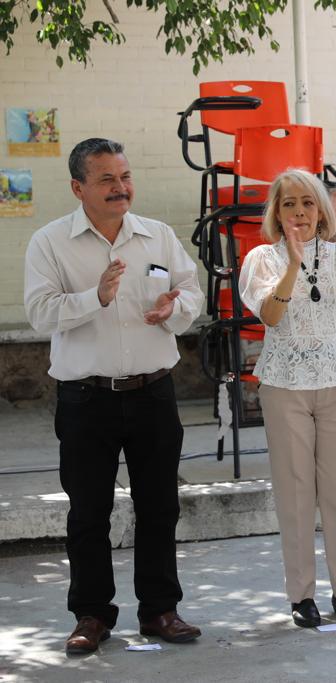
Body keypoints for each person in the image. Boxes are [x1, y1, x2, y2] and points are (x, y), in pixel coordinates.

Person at [23, 138, 204, 654]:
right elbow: (39, 311)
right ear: (78, 187)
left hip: (153, 393)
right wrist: (94, 297)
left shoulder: (159, 237)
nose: (120, 188)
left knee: (159, 507)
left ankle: (161, 610)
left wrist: (176, 306)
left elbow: (192, 290)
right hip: (86, 400)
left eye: (124, 177)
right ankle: (92, 616)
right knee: (88, 514)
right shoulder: (49, 242)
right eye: (106, 179)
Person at [238, 169, 336, 628]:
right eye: (288, 204)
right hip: (284, 385)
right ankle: (301, 596)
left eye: (307, 202)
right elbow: (272, 317)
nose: (299, 211)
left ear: (321, 210)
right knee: (295, 493)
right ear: (276, 213)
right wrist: (294, 266)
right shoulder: (261, 259)